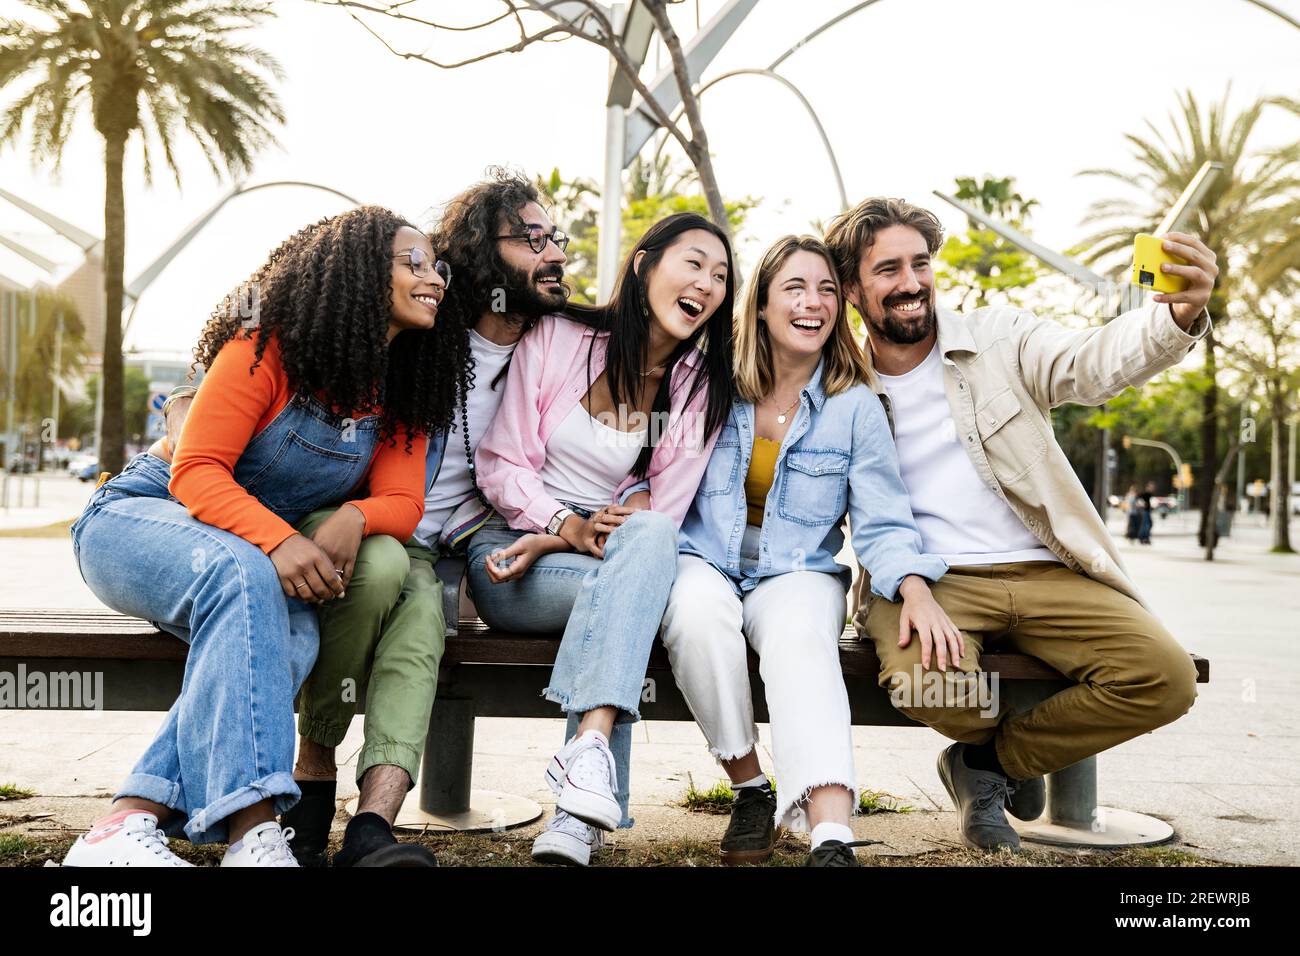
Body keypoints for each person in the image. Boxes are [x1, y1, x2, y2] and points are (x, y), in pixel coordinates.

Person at [62, 206, 448, 867]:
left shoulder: (400, 386)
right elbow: (197, 471)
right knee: (250, 578)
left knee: (290, 627)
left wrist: (354, 516)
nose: (433, 277)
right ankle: (253, 832)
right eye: (411, 263)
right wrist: (280, 541)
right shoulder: (265, 346)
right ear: (357, 274)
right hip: (142, 520)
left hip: (242, 554)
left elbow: (403, 502)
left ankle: (126, 823)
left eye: (436, 265)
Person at [823, 197, 1213, 851]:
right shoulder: (839, 387)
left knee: (1165, 678)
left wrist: (1175, 315)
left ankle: (989, 766)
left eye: (920, 263)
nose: (912, 281)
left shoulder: (997, 338)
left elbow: (1091, 362)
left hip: (1044, 568)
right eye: (887, 269)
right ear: (852, 289)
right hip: (926, 579)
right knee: (927, 685)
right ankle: (1001, 760)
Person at [267, 169, 569, 866]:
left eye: (555, 238)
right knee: (380, 575)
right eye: (531, 239)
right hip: (349, 523)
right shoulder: (424, 331)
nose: (553, 253)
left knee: (419, 620)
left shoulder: (557, 348)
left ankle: (373, 826)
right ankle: (313, 771)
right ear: (478, 252)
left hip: (444, 549)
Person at [661, 235, 954, 867]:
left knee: (800, 640)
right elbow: (655, 475)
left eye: (825, 289)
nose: (813, 303)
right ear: (760, 306)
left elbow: (883, 519)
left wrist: (914, 585)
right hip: (704, 557)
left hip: (797, 570)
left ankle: (831, 836)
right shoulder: (707, 385)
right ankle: (748, 789)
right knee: (695, 616)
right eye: (794, 288)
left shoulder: (855, 407)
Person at [467, 212, 736, 866]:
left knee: (639, 559)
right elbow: (501, 463)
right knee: (632, 593)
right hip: (514, 552)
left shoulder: (696, 389)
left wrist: (583, 533)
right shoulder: (559, 339)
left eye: (722, 276)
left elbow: (659, 520)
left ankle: (581, 783)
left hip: (609, 556)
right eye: (693, 263)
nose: (707, 283)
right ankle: (582, 810)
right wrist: (560, 528)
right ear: (645, 264)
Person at [1138, 480, 1157, 544]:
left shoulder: (1149, 494)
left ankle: (1144, 537)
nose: (1153, 488)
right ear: (1148, 487)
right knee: (1146, 525)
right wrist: (1143, 505)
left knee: (1148, 524)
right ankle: (1144, 537)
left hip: (1148, 511)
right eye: (1151, 487)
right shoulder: (1146, 493)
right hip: (1145, 511)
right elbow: (1139, 499)